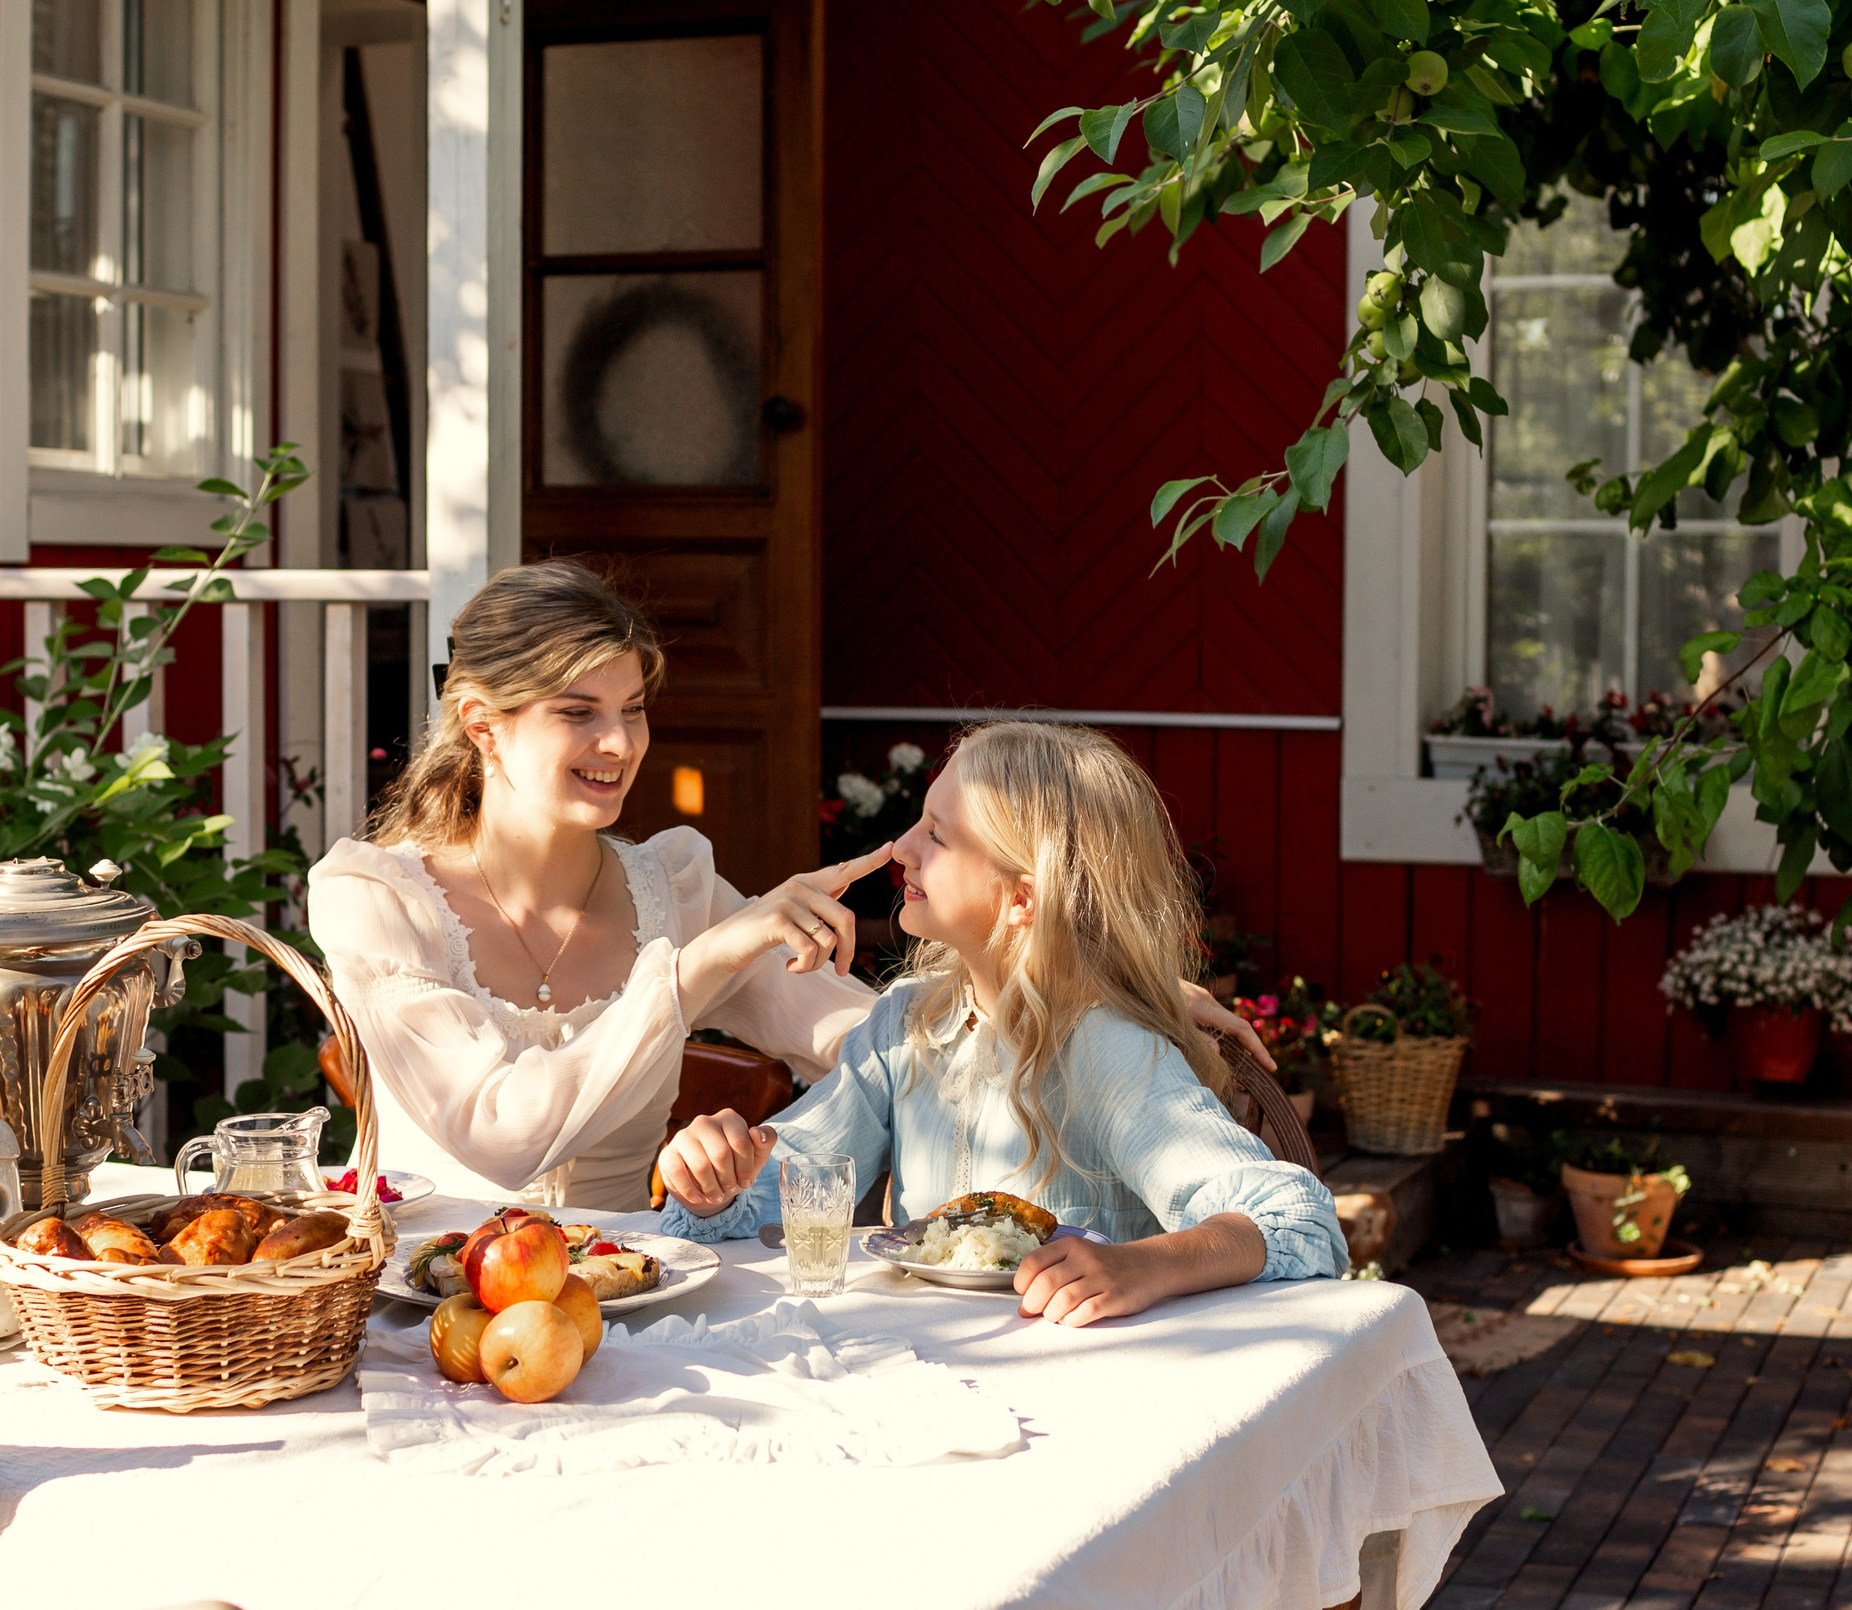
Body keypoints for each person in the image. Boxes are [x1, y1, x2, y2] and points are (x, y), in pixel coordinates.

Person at [306, 561, 1267, 1212]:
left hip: (616, 1309)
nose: (621, 744)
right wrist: (704, 963)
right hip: (404, 1309)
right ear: (481, 723)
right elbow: (498, 1135)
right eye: (579, 712)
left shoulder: (668, 888)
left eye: (634, 709)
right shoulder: (374, 899)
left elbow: (886, 1043)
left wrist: (1079, 995)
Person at [656, 720, 1346, 1325]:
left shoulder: (1104, 1050)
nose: (901, 847)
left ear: (1021, 898)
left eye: (938, 835)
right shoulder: (906, 1024)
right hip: (924, 1376)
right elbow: (783, 1192)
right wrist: (717, 1175)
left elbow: (1299, 1220)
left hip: (1083, 1395)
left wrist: (1145, 1266)